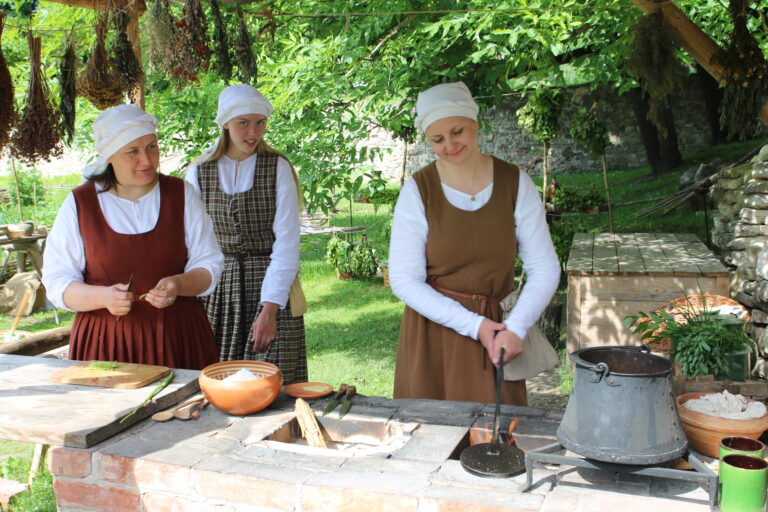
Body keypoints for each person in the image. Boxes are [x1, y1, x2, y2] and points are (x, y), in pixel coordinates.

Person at [389, 82, 561, 405]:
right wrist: (473, 324)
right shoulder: (418, 192)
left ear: (475, 125)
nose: (450, 145)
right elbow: (403, 279)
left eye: (457, 132)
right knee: (431, 440)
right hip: (433, 335)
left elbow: (544, 266)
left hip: (497, 334)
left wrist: (516, 326)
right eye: (437, 139)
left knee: (495, 442)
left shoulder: (515, 184)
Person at [42, 104, 223, 370]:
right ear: (110, 156)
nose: (147, 160)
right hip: (106, 344)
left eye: (152, 146)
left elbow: (209, 265)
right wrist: (102, 297)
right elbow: (58, 283)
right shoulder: (81, 203)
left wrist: (178, 284)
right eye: (133, 151)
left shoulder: (181, 194)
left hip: (178, 336)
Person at [185, 84, 307, 384]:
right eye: (243, 123)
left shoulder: (276, 167)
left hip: (272, 286)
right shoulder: (200, 171)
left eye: (260, 123)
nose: (253, 132)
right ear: (225, 123)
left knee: (272, 383)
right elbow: (191, 244)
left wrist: (270, 310)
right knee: (218, 381)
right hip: (219, 289)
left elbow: (287, 243)